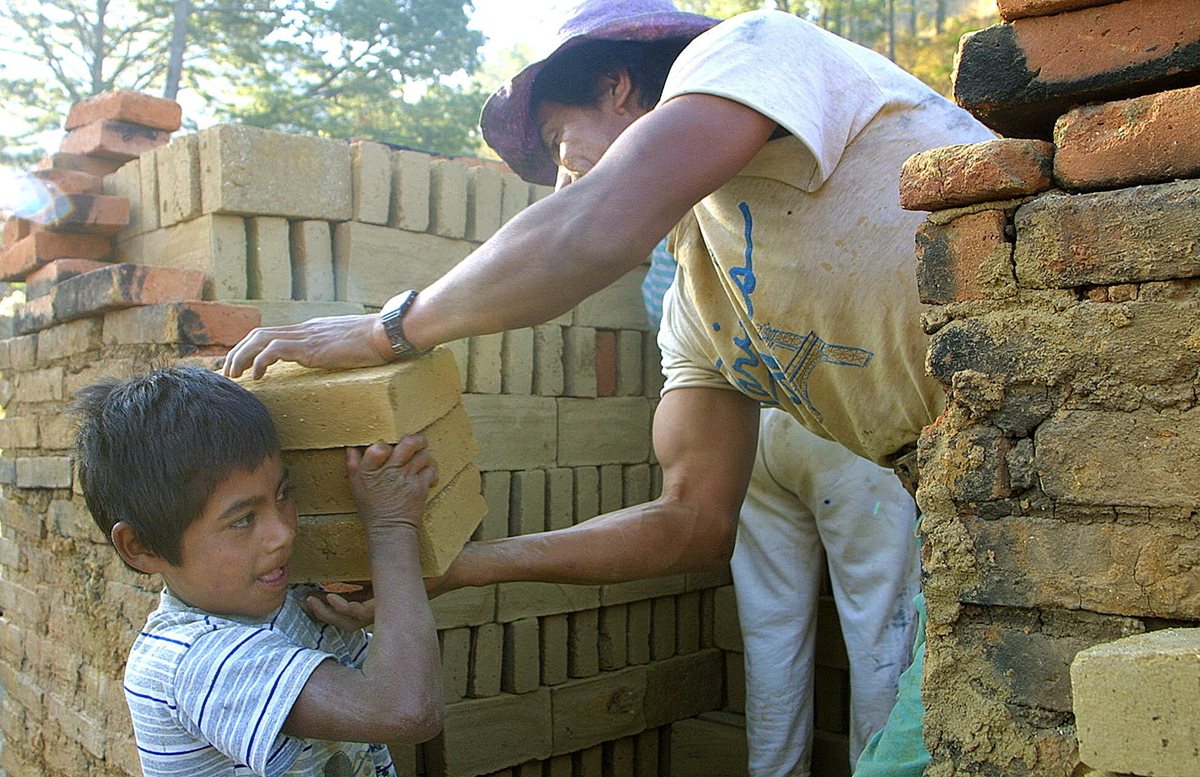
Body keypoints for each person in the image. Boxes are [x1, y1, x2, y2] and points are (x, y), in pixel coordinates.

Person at [223, 2, 994, 774]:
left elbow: (591, 225)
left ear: (620, 86)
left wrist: (389, 328)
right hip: (987, 501)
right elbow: (691, 519)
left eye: (561, 141)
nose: (562, 179)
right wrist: (458, 567)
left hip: (1075, 413)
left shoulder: (754, 47)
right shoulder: (702, 300)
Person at [72, 365, 443, 777]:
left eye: (284, 495)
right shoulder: (194, 659)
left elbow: (404, 632)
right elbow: (405, 709)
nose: (282, 534)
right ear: (139, 547)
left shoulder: (282, 600)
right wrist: (392, 528)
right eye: (243, 519)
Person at [642, 239, 920, 773]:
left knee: (770, 631)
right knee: (879, 629)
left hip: (741, 429)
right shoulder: (831, 194)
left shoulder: (684, 218)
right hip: (844, 417)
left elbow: (662, 319)